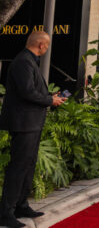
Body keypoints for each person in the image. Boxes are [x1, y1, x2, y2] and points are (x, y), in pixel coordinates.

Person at [0, 31, 67, 228]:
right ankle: (6, 212)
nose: (47, 49)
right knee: (19, 166)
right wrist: (50, 100)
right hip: (23, 123)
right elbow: (26, 91)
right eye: (46, 46)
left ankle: (21, 204)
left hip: (31, 122)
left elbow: (31, 89)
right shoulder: (23, 62)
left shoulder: (29, 61)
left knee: (28, 165)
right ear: (41, 45)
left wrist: (50, 96)